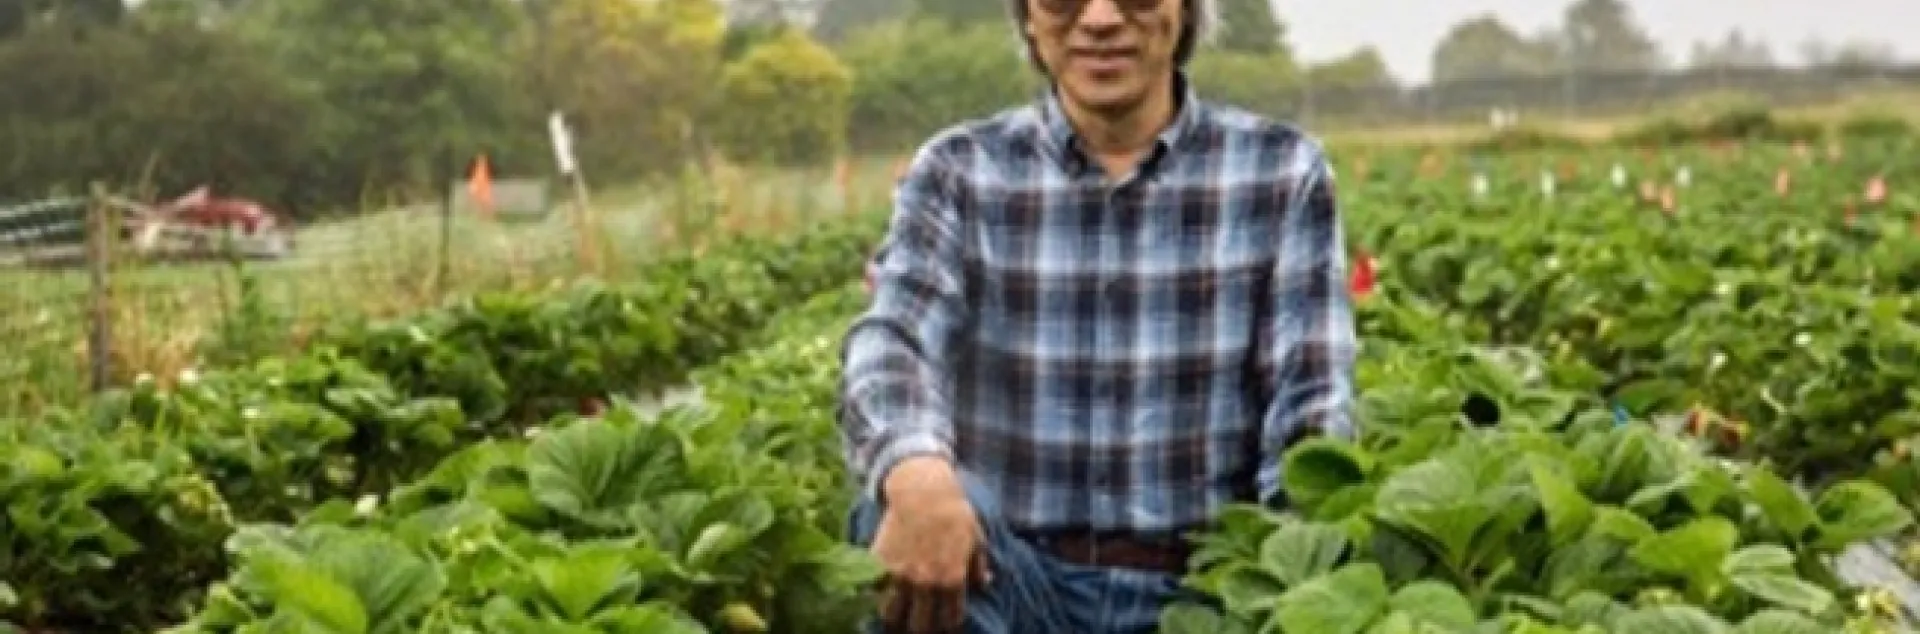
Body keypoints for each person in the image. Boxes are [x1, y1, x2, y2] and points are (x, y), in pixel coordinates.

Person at [836, 0, 1357, 632]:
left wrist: (1291, 580)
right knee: (900, 512)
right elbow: (895, 340)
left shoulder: (1281, 172)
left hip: (1203, 591)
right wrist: (916, 472)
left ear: (1184, 11)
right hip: (1009, 580)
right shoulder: (959, 172)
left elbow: (1311, 406)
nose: (1101, 18)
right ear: (1028, 17)